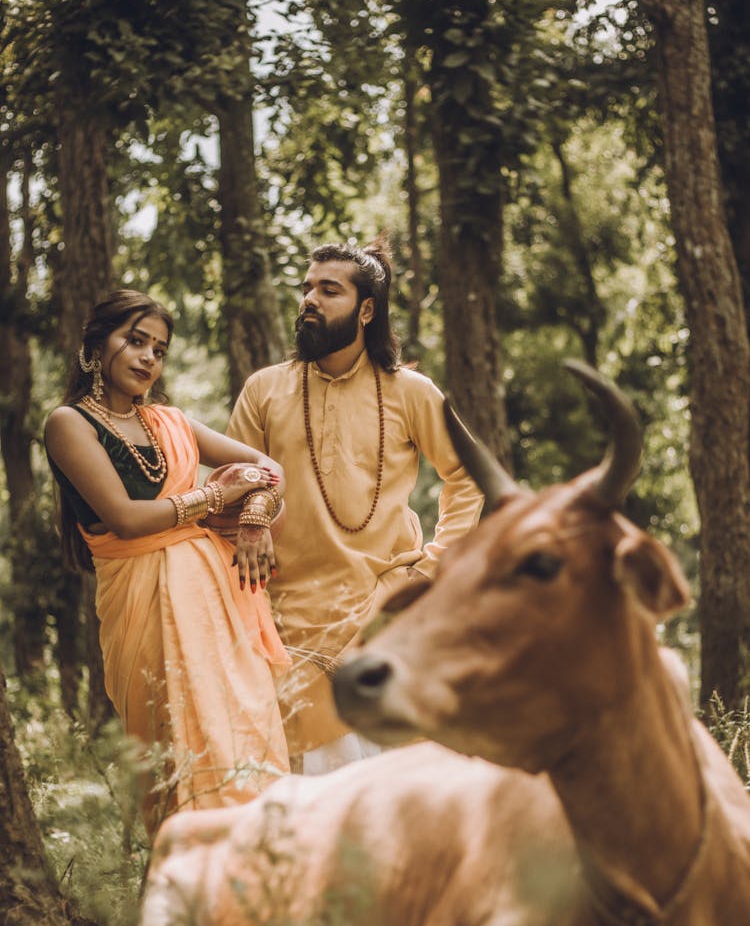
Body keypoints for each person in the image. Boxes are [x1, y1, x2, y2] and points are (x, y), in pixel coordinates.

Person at [227, 238, 483, 773]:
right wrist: (250, 518)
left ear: (367, 309)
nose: (309, 301)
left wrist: (435, 568)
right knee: (320, 806)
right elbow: (234, 479)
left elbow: (468, 476)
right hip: (290, 622)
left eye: (328, 290)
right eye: (306, 289)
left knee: (406, 797)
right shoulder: (264, 390)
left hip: (384, 613)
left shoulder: (410, 391)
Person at [45, 289, 290, 836]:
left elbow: (267, 468)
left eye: (159, 348)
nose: (148, 357)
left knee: (239, 731)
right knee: (174, 741)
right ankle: (189, 879)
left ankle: (260, 868)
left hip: (217, 602)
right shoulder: (69, 424)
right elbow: (126, 519)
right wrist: (214, 498)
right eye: (134, 341)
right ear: (94, 345)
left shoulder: (170, 422)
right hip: (140, 602)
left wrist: (253, 518)